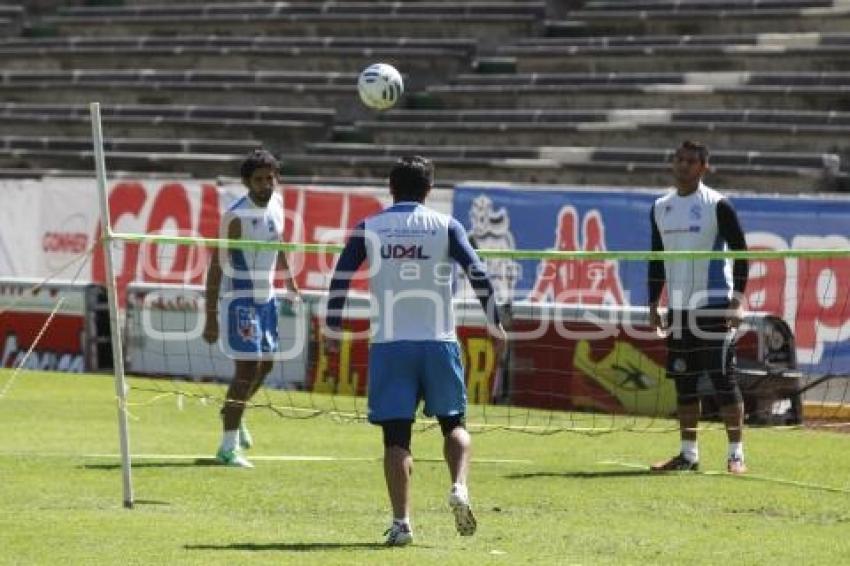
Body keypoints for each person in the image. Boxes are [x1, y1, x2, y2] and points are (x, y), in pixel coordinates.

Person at [324, 155, 507, 546]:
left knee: (396, 439)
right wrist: (495, 321)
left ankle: (402, 523)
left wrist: (332, 322)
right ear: (429, 190)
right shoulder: (446, 226)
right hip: (439, 341)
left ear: (391, 189)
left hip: (391, 345)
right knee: (454, 425)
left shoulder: (370, 227)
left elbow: (341, 275)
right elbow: (478, 272)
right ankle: (459, 486)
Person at [648, 140, 749, 475]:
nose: (683, 166)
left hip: (713, 305)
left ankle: (736, 454)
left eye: (691, 161)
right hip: (678, 310)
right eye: (678, 159)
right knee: (684, 383)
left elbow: (741, 253)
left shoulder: (717, 205)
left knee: (723, 380)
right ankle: (687, 455)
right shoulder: (660, 207)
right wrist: (653, 303)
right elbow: (656, 260)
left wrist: (736, 301)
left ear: (704, 167)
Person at [203, 149, 301, 468]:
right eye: (258, 180)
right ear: (247, 182)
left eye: (269, 178)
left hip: (267, 298)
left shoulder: (278, 204)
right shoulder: (235, 217)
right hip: (240, 299)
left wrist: (289, 281)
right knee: (246, 368)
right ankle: (227, 447)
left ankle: (235, 409)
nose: (265, 184)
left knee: (267, 365)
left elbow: (278, 243)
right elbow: (216, 267)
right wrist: (210, 317)